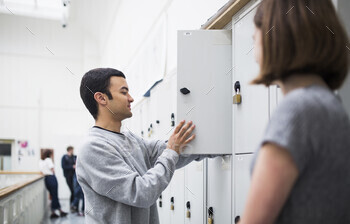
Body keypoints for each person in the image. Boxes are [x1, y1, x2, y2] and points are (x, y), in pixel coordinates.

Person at [240, 0, 350, 224]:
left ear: (278, 35)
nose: (253, 47)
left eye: (256, 34)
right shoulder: (331, 105)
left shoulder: (298, 110)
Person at [76, 68, 211, 224]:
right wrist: (172, 151)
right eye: (124, 92)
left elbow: (170, 151)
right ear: (101, 98)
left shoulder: (130, 139)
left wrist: (213, 147)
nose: (131, 98)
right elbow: (140, 193)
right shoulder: (93, 148)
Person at [39, 149, 68, 219]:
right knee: (55, 195)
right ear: (49, 154)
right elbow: (52, 169)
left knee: (53, 195)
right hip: (51, 178)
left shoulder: (41, 161)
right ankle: (53, 212)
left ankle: (59, 210)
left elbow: (41, 171)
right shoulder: (48, 160)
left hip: (46, 179)